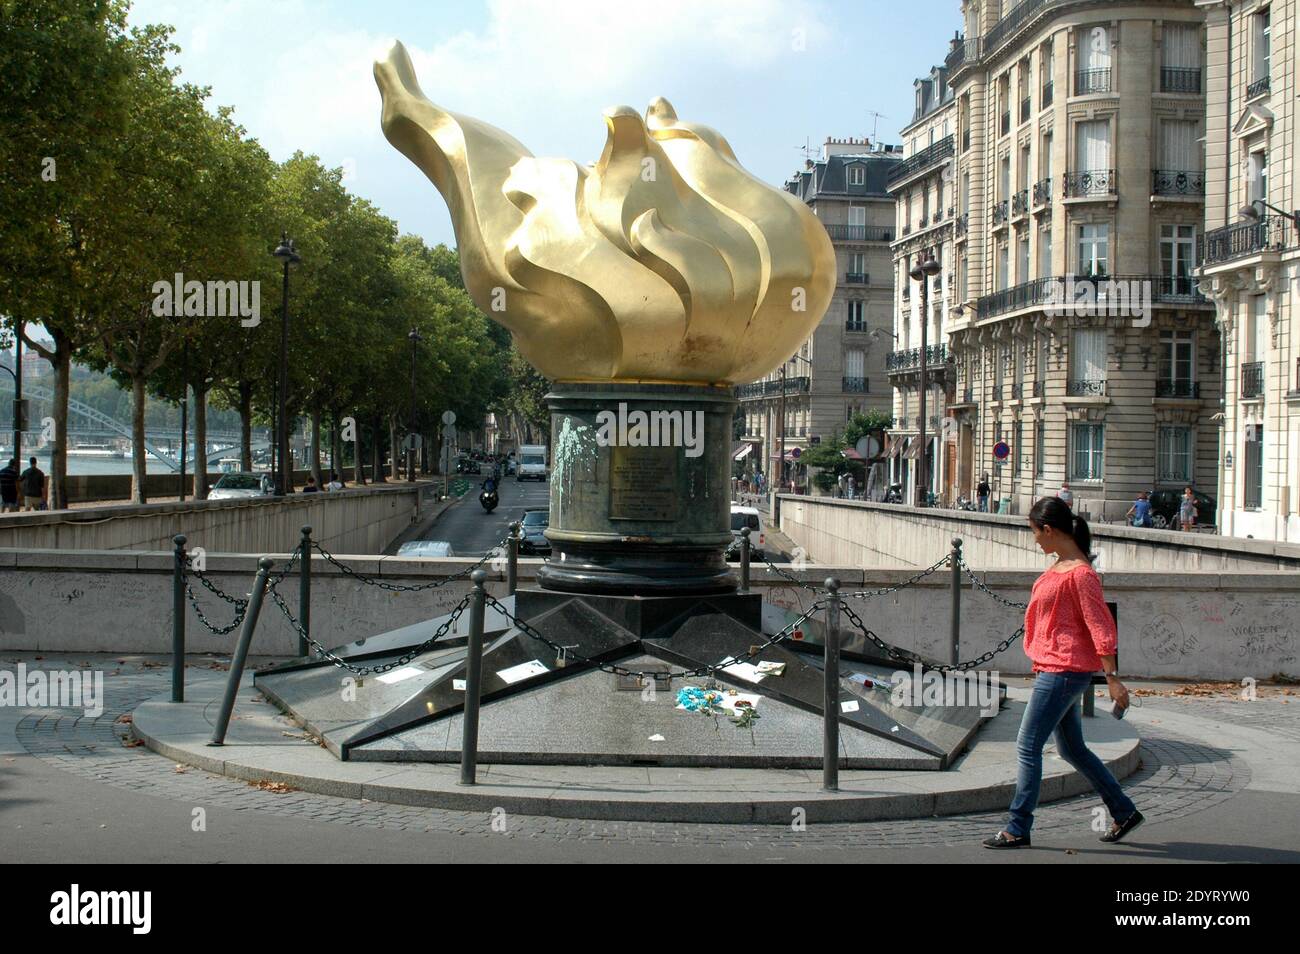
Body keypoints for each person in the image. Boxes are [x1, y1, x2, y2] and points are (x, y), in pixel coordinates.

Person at [983, 497, 1143, 849]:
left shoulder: (1081, 574)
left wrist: (1113, 678)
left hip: (1064, 669)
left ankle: (1018, 826)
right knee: (1073, 750)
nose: (1035, 540)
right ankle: (1123, 810)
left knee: (1027, 746)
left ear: (1049, 530)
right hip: (1055, 666)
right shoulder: (1061, 565)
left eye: (1035, 533)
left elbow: (1100, 624)